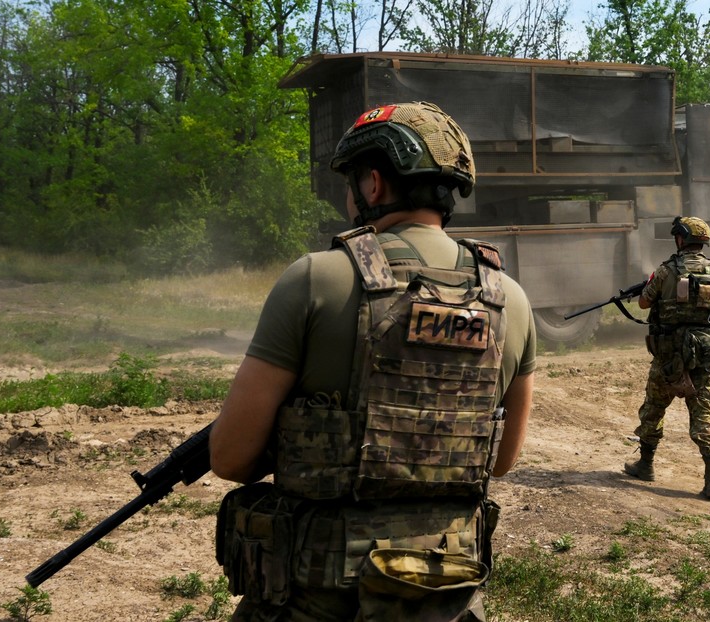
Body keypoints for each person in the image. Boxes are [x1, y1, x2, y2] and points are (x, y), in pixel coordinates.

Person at [208, 101, 537, 621]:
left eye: (351, 180)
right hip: (441, 596)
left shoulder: (315, 279)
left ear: (375, 184)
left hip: (315, 596)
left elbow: (229, 458)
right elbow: (500, 460)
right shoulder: (509, 300)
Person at [623, 216, 710, 500]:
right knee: (704, 415)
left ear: (680, 240)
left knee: (653, 409)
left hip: (668, 358)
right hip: (704, 359)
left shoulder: (665, 271)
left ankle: (646, 465)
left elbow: (645, 302)